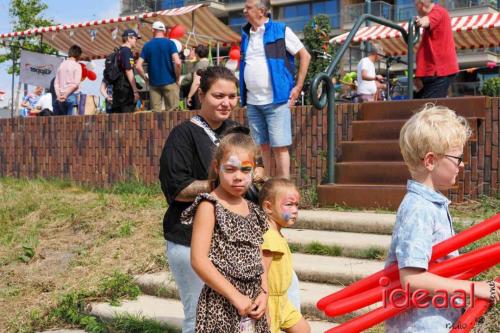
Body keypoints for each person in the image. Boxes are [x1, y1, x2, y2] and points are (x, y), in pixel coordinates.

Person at [385, 104, 500, 332]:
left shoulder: (431, 204)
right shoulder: (419, 209)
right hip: (421, 325)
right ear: (430, 161)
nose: (462, 164)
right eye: (457, 157)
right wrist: (474, 288)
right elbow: (412, 279)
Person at [159, 66, 244, 333]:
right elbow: (177, 188)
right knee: (199, 319)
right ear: (201, 95)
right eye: (218, 95)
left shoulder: (239, 131)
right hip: (189, 239)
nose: (226, 102)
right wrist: (219, 183)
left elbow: (257, 166)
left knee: (229, 319)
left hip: (229, 238)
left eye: (232, 96)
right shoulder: (183, 134)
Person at [181, 132, 270, 333]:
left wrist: (264, 292)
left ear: (254, 171)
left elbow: (258, 255)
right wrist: (234, 296)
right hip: (221, 303)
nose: (238, 176)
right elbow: (198, 260)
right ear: (216, 168)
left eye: (246, 170)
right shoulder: (210, 205)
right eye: (230, 169)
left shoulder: (253, 209)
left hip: (254, 302)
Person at [239, 0, 311, 179]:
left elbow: (305, 55)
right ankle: (268, 184)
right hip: (253, 102)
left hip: (277, 100)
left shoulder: (280, 30)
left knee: (279, 146)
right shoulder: (246, 34)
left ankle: (284, 187)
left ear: (261, 10)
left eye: (248, 8)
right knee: (261, 146)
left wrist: (298, 86)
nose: (244, 11)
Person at [259, 178, 310, 333]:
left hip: (283, 301)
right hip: (270, 302)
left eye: (296, 205)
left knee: (303, 329)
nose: (295, 210)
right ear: (268, 207)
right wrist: (265, 308)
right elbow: (262, 273)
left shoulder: (277, 234)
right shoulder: (269, 237)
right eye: (289, 204)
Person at [414, 0, 458, 99]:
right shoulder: (437, 13)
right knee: (422, 107)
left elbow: (427, 20)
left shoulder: (438, 11)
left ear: (421, 4)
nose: (415, 8)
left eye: (415, 4)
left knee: (429, 109)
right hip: (432, 73)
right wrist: (419, 75)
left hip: (439, 72)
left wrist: (420, 21)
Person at [136, 21, 181, 112]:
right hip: (170, 82)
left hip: (154, 84)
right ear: (164, 31)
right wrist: (177, 78)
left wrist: (146, 79)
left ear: (153, 30)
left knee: (156, 117)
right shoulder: (170, 43)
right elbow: (178, 62)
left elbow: (138, 66)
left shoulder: (147, 46)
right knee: (174, 114)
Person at [111, 29, 141, 113]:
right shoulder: (127, 51)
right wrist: (135, 90)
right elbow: (128, 70)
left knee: (116, 119)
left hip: (117, 89)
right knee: (127, 119)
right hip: (125, 90)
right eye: (135, 38)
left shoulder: (118, 51)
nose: (136, 41)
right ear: (129, 38)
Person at [54, 45, 82, 116]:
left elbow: (56, 83)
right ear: (78, 55)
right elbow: (75, 84)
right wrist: (66, 95)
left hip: (60, 97)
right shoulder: (77, 65)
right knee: (72, 123)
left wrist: (58, 95)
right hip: (72, 96)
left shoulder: (61, 65)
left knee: (65, 123)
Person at [187, 44, 210, 110]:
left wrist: (189, 96)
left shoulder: (199, 65)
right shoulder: (210, 63)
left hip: (200, 94)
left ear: (197, 54)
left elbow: (197, 82)